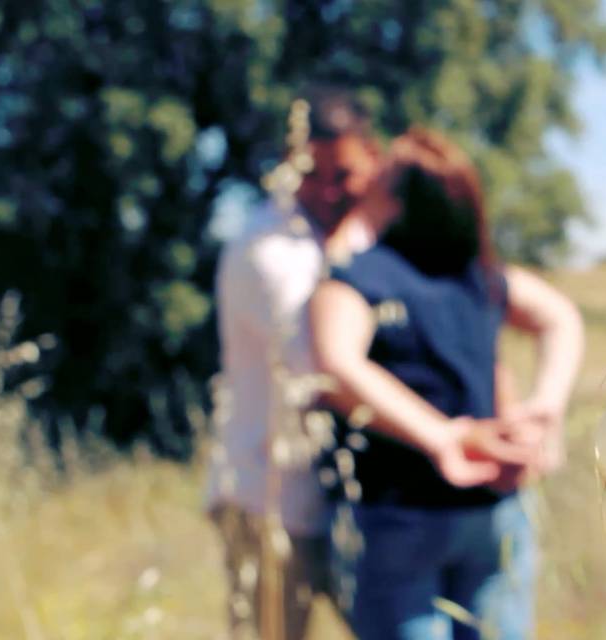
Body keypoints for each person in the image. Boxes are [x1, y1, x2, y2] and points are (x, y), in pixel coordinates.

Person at [310, 127, 585, 639]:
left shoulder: (362, 277)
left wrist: (443, 437)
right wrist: (545, 408)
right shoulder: (479, 276)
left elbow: (336, 361)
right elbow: (561, 317)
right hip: (494, 509)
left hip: (400, 509)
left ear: (389, 196)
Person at [205, 88, 381, 639]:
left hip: (343, 500)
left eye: (345, 173)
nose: (330, 191)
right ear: (289, 169)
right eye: (314, 175)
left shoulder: (360, 238)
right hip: (269, 496)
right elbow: (325, 371)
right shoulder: (269, 250)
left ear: (373, 161)